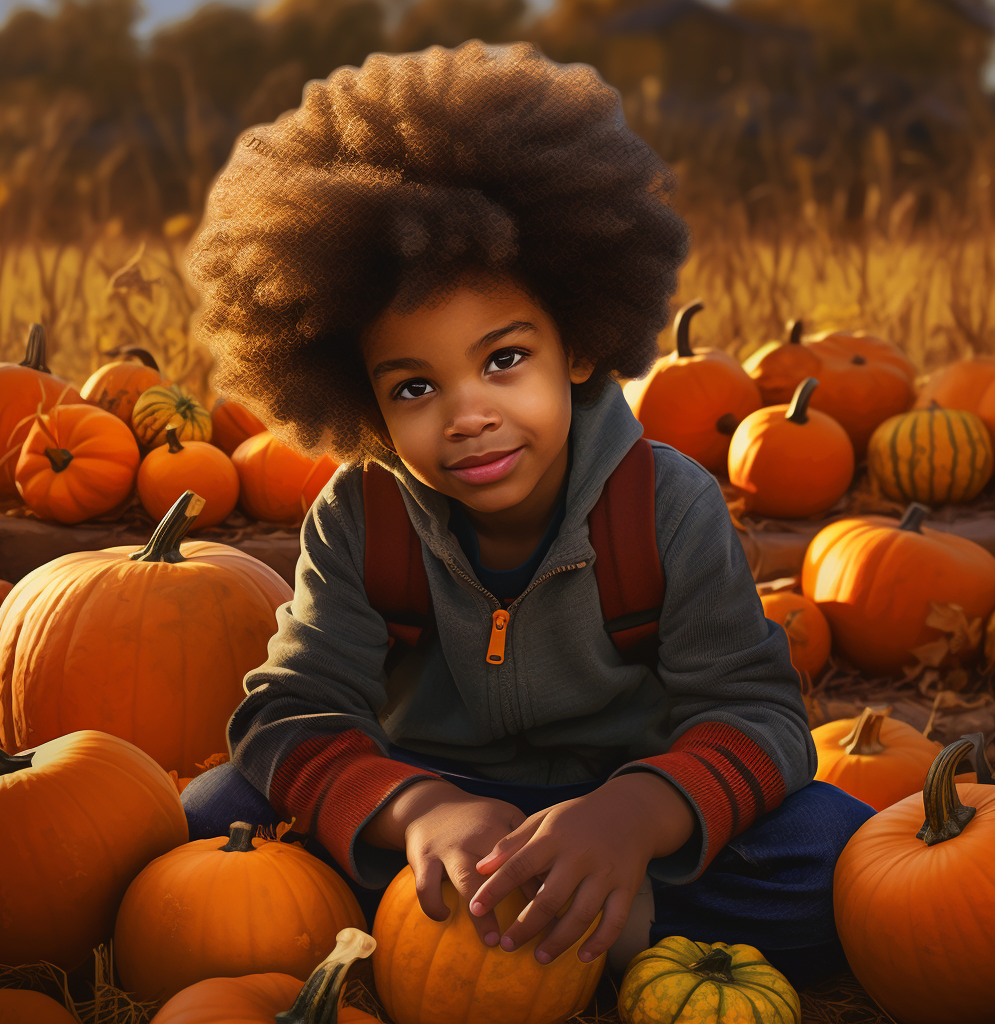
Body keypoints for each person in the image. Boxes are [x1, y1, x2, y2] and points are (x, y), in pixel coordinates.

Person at [182, 38, 874, 989]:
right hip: (435, 808)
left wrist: (634, 817)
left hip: (626, 812)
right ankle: (501, 918)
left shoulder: (666, 502)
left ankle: (555, 911)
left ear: (580, 346)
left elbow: (756, 718)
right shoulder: (363, 513)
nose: (469, 414)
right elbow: (292, 712)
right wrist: (418, 809)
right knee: (216, 817)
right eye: (416, 386)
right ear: (362, 397)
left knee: (835, 854)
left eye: (504, 360)